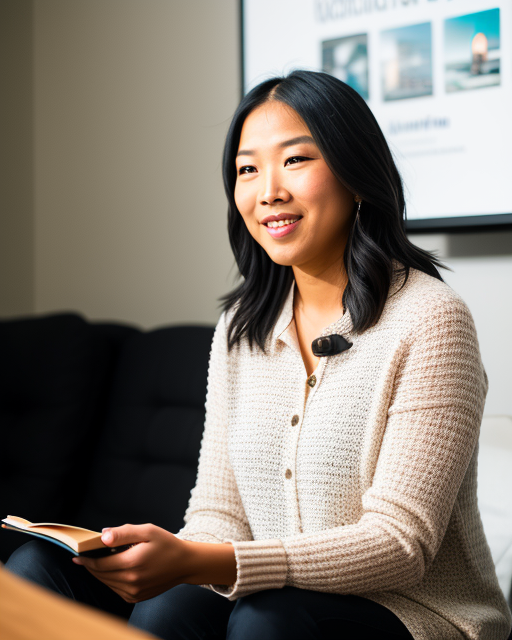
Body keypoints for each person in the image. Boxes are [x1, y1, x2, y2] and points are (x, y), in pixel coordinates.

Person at [6, 70, 512, 640]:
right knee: (40, 571)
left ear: (358, 175)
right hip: (266, 596)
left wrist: (204, 564)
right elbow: (219, 513)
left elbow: (400, 546)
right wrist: (167, 559)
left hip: (414, 614)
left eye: (295, 160)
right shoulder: (241, 329)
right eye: (248, 169)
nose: (268, 189)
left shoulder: (431, 319)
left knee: (265, 620)